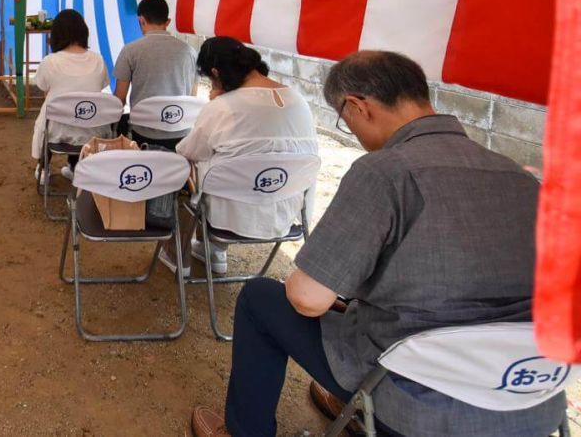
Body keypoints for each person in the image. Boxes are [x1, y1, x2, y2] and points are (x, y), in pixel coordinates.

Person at [190, 51, 564, 437]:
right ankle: (349, 410)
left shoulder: (385, 172)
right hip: (530, 394)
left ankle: (245, 431)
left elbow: (307, 298)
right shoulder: (519, 179)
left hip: (416, 401)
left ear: (356, 107)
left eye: (343, 117)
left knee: (260, 298)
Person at [174, 36, 317, 275]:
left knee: (181, 166)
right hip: (288, 214)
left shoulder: (222, 107)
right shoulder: (300, 101)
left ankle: (203, 252)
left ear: (215, 73)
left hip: (228, 217)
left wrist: (218, 102)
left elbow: (189, 151)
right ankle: (215, 252)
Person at [112, 0, 198, 149]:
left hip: (144, 133)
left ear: (141, 20)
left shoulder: (130, 50)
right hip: (181, 132)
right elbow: (193, 95)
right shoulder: (189, 51)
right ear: (168, 22)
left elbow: (119, 99)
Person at [30, 9, 112, 170]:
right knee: (77, 116)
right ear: (83, 32)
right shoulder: (98, 60)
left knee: (48, 114)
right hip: (93, 129)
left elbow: (45, 91)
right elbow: (99, 88)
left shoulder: (50, 61)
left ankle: (43, 169)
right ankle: (76, 168)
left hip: (56, 131)